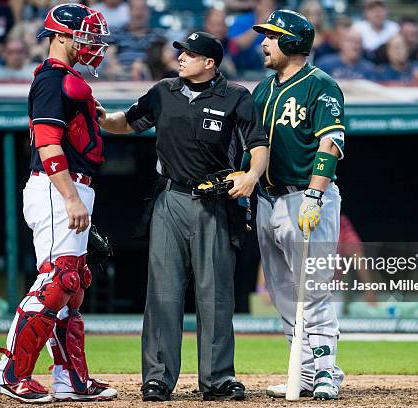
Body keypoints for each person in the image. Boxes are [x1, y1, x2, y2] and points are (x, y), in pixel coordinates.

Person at [96, 31, 269, 401]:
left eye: (190, 54)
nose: (181, 58)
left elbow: (258, 144)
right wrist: (99, 117)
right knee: (162, 294)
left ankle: (218, 379)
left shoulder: (236, 96)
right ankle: (157, 378)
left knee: (216, 295)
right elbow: (126, 121)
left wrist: (253, 176)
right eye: (181, 53)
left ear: (210, 63)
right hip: (170, 198)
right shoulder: (163, 91)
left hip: (216, 203)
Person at [0, 3, 117, 403]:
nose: (92, 44)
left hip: (71, 188)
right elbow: (47, 143)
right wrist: (71, 197)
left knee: (72, 286)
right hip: (56, 187)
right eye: (85, 36)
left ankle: (70, 379)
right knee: (58, 280)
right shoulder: (50, 79)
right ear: (60, 36)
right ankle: (9, 371)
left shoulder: (69, 80)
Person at [251, 9, 345, 400]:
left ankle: (327, 372)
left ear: (292, 42)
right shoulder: (262, 89)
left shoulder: (320, 85)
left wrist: (314, 193)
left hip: (305, 197)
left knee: (314, 290)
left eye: (271, 36)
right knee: (283, 292)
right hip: (267, 199)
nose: (264, 43)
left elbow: (332, 142)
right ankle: (302, 372)